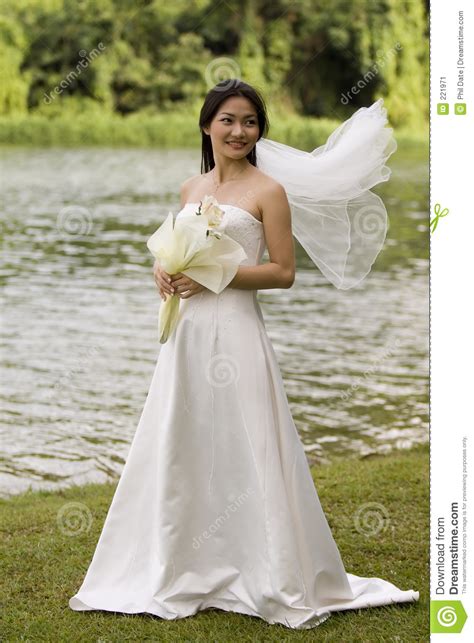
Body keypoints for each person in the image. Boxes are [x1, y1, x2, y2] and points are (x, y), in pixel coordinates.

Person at [69, 80, 419, 630]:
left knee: (249, 438)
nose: (239, 131)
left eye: (251, 121)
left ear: (259, 131)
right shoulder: (190, 187)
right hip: (186, 336)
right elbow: (179, 249)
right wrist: (164, 270)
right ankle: (183, 563)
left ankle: (265, 568)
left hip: (235, 332)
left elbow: (282, 273)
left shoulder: (268, 190)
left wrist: (215, 276)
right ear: (208, 125)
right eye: (229, 120)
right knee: (184, 439)